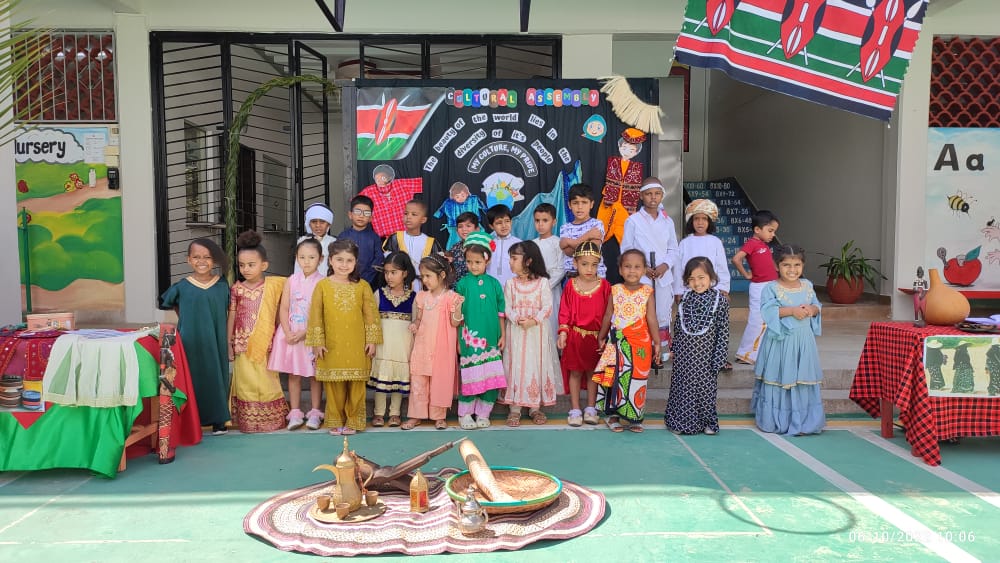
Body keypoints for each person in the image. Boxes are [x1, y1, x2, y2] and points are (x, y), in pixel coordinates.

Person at [307, 239, 382, 436]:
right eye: (339, 259)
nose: (344, 264)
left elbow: (370, 316)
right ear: (330, 261)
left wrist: (372, 340)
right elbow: (315, 315)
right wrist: (317, 342)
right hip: (331, 345)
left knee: (357, 385)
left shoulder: (363, 286)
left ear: (356, 262)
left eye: (349, 260)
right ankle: (335, 420)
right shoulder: (322, 286)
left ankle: (354, 421)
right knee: (334, 385)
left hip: (357, 345)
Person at [159, 238, 231, 435]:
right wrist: (184, 317)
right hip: (190, 341)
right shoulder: (182, 286)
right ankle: (193, 419)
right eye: (197, 257)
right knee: (191, 378)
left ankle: (218, 420)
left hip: (215, 341)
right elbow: (166, 301)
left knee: (216, 377)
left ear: (214, 260)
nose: (202, 261)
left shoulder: (222, 285)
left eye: (207, 257)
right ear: (188, 260)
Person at [751, 244, 824, 436]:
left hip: (803, 341)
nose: (792, 270)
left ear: (803, 265)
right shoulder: (771, 288)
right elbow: (768, 310)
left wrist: (812, 310)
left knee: (801, 378)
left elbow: (817, 305)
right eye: (786, 265)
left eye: (797, 265)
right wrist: (792, 311)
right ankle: (777, 421)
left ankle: (805, 421)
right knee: (780, 376)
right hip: (780, 341)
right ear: (777, 266)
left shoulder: (807, 286)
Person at [227, 230, 288, 433]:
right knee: (246, 382)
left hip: (266, 343)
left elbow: (281, 314)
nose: (246, 269)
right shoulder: (237, 289)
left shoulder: (275, 286)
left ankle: (271, 420)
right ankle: (249, 421)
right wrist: (229, 343)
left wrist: (282, 339)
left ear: (264, 265)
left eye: (251, 265)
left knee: (267, 380)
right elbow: (232, 317)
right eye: (242, 265)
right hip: (242, 344)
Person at [594, 249, 659, 433]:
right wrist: (601, 336)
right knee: (616, 379)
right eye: (627, 266)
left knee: (637, 380)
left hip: (640, 344)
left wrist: (656, 343)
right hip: (617, 344)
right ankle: (613, 416)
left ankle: (635, 417)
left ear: (644, 269)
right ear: (620, 270)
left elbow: (652, 319)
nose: (632, 271)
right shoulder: (615, 290)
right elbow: (608, 315)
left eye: (637, 267)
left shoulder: (648, 292)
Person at [665, 257, 730, 435]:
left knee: (705, 392)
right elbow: (678, 326)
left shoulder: (720, 301)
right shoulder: (685, 299)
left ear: (711, 277)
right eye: (692, 279)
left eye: (701, 277)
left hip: (706, 356)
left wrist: (719, 358)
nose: (697, 283)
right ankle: (680, 423)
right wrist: (674, 348)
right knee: (682, 389)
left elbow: (723, 332)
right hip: (685, 355)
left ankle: (708, 423)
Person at [621, 177, 679, 363]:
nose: (653, 198)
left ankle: (660, 353)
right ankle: (641, 352)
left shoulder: (667, 221)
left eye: (657, 194)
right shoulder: (633, 221)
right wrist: (642, 268)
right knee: (641, 313)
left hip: (662, 275)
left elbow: (673, 249)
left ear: (662, 195)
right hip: (640, 276)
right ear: (641, 196)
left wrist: (664, 265)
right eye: (648, 194)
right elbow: (626, 249)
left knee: (662, 313)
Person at [269, 237, 325, 431]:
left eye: (311, 257)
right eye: (302, 257)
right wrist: (287, 330)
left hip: (311, 335)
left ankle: (316, 412)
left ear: (321, 259)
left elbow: (323, 314)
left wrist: (305, 332)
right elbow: (283, 308)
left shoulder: (323, 283)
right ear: (296, 258)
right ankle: (295, 412)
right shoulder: (291, 280)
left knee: (315, 374)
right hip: (291, 333)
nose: (306, 261)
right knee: (294, 374)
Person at [502, 241, 560, 427]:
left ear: (528, 261)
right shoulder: (510, 284)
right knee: (516, 364)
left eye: (514, 258)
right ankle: (515, 408)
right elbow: (506, 307)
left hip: (537, 333)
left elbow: (547, 306)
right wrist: (517, 319)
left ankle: (535, 407)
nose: (510, 262)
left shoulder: (543, 283)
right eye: (510, 258)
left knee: (535, 365)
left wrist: (533, 321)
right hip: (516, 333)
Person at [454, 232, 508, 430]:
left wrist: (502, 335)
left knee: (490, 377)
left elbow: (501, 314)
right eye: (469, 262)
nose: (473, 266)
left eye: (477, 262)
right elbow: (457, 317)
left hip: (492, 338)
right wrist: (459, 341)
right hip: (469, 340)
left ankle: (484, 413)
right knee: (470, 376)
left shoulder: (494, 285)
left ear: (487, 260)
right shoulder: (461, 284)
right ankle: (465, 414)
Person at [403, 254, 462, 430]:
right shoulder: (421, 296)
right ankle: (416, 415)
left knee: (439, 380)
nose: (425, 280)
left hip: (441, 348)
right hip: (422, 345)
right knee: (419, 380)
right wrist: (415, 324)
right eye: (423, 277)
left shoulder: (451, 297)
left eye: (428, 276)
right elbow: (420, 318)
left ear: (442, 275)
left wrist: (458, 308)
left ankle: (439, 416)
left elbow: (455, 323)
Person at [557, 241, 611, 427]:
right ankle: (574, 409)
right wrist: (563, 333)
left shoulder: (604, 286)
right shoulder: (571, 286)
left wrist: (605, 337)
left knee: (592, 374)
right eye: (584, 264)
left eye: (594, 265)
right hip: (575, 337)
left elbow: (608, 313)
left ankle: (590, 408)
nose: (589, 269)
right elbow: (564, 311)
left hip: (596, 338)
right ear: (575, 264)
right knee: (575, 373)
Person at [673, 198, 731, 369]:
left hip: (712, 293)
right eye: (696, 219)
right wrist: (678, 290)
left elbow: (721, 266)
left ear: (709, 222)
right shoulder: (685, 243)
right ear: (691, 221)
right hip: (690, 292)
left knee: (714, 327)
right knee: (692, 325)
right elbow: (679, 268)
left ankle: (718, 358)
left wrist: (723, 289)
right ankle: (690, 357)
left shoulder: (715, 242)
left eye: (704, 219)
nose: (700, 222)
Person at [367, 251, 417, 428]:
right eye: (386, 272)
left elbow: (416, 322)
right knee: (383, 377)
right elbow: (371, 320)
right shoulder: (378, 294)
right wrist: (371, 341)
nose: (389, 276)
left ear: (404, 273)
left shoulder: (413, 297)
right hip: (383, 345)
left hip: (403, 346)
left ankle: (395, 413)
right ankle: (379, 413)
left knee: (398, 379)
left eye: (394, 272)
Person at [732, 210, 780, 365]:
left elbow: (770, 264)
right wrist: (746, 275)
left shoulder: (763, 245)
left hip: (771, 286)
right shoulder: (752, 243)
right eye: (770, 231)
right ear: (757, 230)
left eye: (774, 231)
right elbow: (736, 259)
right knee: (757, 320)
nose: (772, 235)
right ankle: (745, 354)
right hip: (760, 287)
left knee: (768, 319)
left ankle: (758, 353)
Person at [597, 128, 646, 244]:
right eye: (624, 148)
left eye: (631, 149)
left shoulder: (636, 167)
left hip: (626, 205)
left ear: (636, 152)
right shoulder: (613, 161)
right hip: (609, 201)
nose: (627, 151)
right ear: (619, 147)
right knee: (601, 232)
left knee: (627, 237)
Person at [383, 199, 444, 290]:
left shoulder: (431, 242)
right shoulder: (395, 238)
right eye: (406, 213)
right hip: (399, 287)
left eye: (414, 214)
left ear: (423, 219)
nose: (409, 217)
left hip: (423, 287)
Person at [359, 163, 424, 238]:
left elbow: (425, 183)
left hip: (409, 235)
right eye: (377, 178)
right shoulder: (368, 192)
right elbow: (355, 203)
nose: (380, 180)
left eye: (383, 177)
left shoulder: (402, 184)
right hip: (385, 239)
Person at [559, 183, 607, 278]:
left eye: (584, 202)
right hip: (572, 276)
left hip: (595, 276)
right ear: (569, 205)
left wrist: (569, 242)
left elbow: (592, 248)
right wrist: (588, 236)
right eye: (575, 203)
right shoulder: (565, 227)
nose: (580, 207)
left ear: (591, 204)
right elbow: (568, 252)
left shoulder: (597, 224)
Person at [532, 203, 566, 337]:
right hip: (533, 291)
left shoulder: (558, 243)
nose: (540, 224)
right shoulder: (532, 244)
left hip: (552, 289)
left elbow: (561, 269)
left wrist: (545, 285)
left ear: (554, 222)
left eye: (545, 220)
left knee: (551, 322)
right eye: (537, 220)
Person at [337, 194, 384, 287]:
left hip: (368, 283)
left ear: (371, 218)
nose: (361, 216)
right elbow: (337, 258)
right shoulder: (343, 236)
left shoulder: (374, 238)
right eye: (358, 211)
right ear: (350, 215)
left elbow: (378, 259)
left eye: (366, 213)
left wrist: (366, 279)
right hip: (345, 281)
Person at [434, 181, 487, 248]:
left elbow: (483, 207)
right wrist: (436, 216)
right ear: (453, 197)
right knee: (454, 242)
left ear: (467, 194)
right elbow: (440, 211)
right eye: (457, 197)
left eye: (462, 195)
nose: (461, 198)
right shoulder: (449, 203)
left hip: (472, 224)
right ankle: (453, 253)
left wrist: (487, 212)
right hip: (455, 226)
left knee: (478, 240)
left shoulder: (473, 200)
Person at [485, 204, 522, 288]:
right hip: (492, 288)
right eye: (499, 223)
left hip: (514, 288)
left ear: (511, 222)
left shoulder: (519, 244)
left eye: (507, 221)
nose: (504, 225)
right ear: (491, 226)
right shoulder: (488, 244)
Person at [296, 203, 336, 276]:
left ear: (328, 224)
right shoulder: (302, 241)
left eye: (322, 222)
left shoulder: (333, 242)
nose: (318, 225)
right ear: (309, 223)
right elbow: (298, 267)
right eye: (314, 221)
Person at [446, 211, 480, 288]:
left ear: (477, 229)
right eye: (460, 226)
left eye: (468, 226)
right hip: (457, 290)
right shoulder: (454, 248)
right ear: (457, 230)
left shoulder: (482, 248)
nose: (464, 229)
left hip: (476, 289)